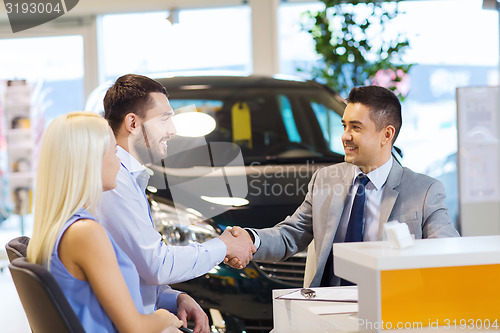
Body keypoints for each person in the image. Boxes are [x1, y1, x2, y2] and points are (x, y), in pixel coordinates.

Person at [229, 85, 460, 286]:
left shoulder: (425, 191)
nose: (345, 136)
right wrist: (251, 240)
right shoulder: (325, 179)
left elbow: (447, 251)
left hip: (389, 307)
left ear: (386, 135)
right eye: (344, 126)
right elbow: (291, 234)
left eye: (356, 128)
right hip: (326, 306)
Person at [97, 74, 255, 333]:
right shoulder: (114, 183)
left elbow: (136, 269)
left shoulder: (129, 177)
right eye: (165, 118)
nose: (173, 130)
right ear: (133, 123)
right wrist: (224, 245)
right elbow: (155, 264)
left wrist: (173, 298)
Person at [27, 112, 183, 332]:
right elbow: (134, 328)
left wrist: (172, 299)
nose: (118, 161)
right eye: (112, 152)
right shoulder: (85, 233)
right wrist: (164, 318)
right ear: (89, 162)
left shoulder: (66, 226)